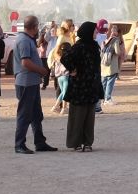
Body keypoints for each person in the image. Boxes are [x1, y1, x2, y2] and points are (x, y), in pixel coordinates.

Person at [12, 16, 56, 155]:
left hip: (32, 82)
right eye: (37, 27)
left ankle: (40, 142)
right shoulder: (24, 40)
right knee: (24, 115)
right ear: (34, 26)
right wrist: (41, 70)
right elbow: (25, 62)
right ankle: (19, 144)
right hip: (26, 82)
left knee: (36, 114)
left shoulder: (27, 39)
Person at [61, 24, 103, 152]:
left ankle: (88, 142)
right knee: (78, 115)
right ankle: (76, 143)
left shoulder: (94, 46)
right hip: (79, 86)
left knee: (89, 116)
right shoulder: (78, 47)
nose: (96, 32)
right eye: (94, 30)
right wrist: (72, 69)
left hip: (91, 85)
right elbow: (65, 58)